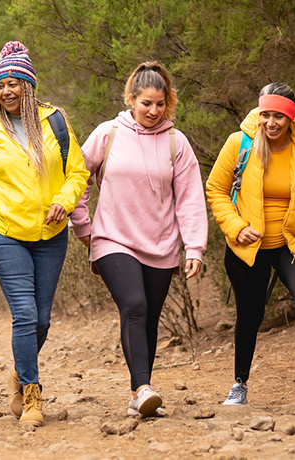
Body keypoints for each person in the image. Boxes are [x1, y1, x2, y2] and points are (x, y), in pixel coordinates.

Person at [0, 41, 89, 427]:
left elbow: (78, 172)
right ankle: (32, 397)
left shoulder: (56, 123)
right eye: (1, 85)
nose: (7, 91)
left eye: (14, 82)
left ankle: (19, 370)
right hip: (4, 234)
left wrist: (65, 202)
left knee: (43, 320)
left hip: (51, 235)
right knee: (25, 315)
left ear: (28, 85)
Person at [69, 61, 208, 417]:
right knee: (134, 305)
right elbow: (77, 177)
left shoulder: (177, 142)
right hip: (113, 239)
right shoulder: (108, 133)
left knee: (148, 318)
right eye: (146, 103)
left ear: (169, 102)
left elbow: (190, 197)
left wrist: (194, 246)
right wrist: (83, 226)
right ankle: (143, 388)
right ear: (131, 99)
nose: (153, 110)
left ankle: (137, 393)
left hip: (161, 244)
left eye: (160, 104)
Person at [205, 82, 295, 412]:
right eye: (266, 114)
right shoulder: (240, 143)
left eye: (279, 116)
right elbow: (216, 189)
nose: (271, 122)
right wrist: (236, 228)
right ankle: (239, 384)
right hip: (247, 247)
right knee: (250, 314)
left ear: (291, 118)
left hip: (291, 241)